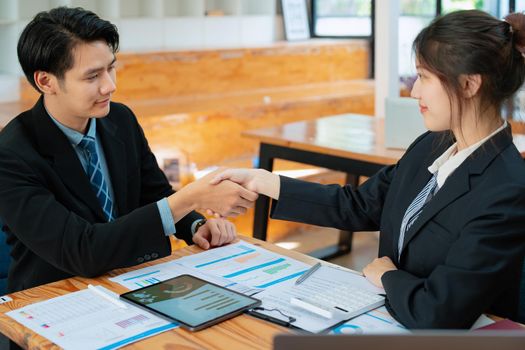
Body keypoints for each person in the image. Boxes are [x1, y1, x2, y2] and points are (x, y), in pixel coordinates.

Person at [211, 10, 525, 328]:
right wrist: (264, 181)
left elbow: (440, 312)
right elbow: (360, 204)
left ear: (469, 84)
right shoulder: (432, 145)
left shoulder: (507, 189)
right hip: (390, 318)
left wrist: (387, 275)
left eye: (425, 77)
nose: (414, 91)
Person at [0, 6, 258, 295]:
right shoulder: (11, 155)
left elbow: (154, 193)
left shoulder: (119, 119)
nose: (110, 86)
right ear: (46, 81)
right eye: (92, 76)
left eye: (111, 68)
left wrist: (195, 225)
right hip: (54, 297)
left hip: (132, 280)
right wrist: (192, 196)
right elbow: (82, 250)